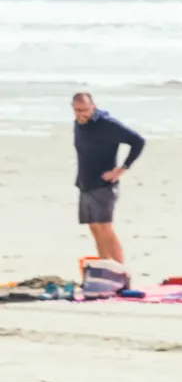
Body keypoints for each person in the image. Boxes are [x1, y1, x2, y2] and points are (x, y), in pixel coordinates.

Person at [71, 90, 144, 269]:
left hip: (103, 186)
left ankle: (119, 270)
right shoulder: (78, 123)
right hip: (85, 183)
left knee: (105, 228)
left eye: (85, 110)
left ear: (93, 107)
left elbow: (138, 141)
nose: (81, 114)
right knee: (94, 228)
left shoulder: (106, 124)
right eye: (77, 110)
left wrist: (122, 169)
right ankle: (105, 268)